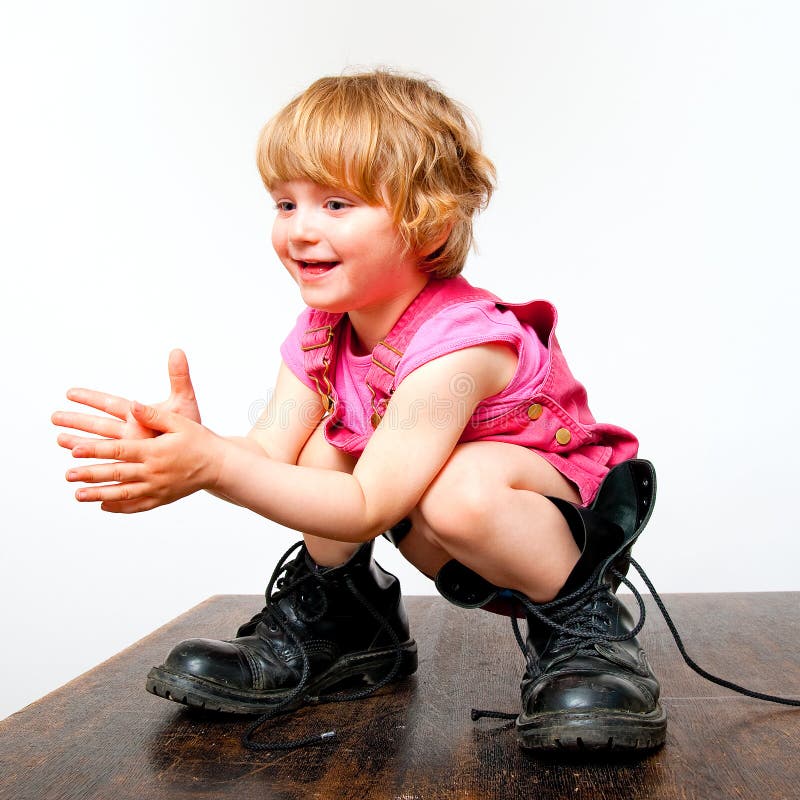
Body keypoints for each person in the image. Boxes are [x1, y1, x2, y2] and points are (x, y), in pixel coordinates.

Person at [52, 70, 666, 753]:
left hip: (557, 517)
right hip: (429, 513)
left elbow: (368, 505)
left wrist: (214, 466)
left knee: (459, 489)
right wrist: (186, 449)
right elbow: (266, 454)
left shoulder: (459, 348)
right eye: (286, 203)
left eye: (336, 203)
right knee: (324, 446)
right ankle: (344, 618)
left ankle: (583, 628)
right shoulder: (323, 332)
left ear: (428, 223)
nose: (300, 229)